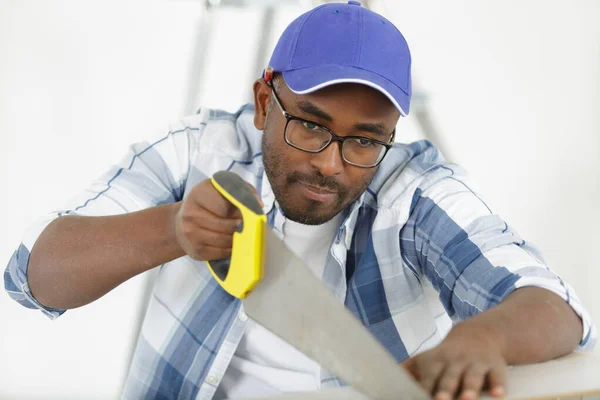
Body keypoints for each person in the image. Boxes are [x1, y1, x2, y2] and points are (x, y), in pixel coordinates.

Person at [4, 1, 596, 399]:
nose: (331, 164)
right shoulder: (200, 149)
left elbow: (557, 310)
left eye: (365, 139)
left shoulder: (413, 193)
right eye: (310, 126)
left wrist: (482, 338)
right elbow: (33, 275)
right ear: (265, 101)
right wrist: (172, 229)